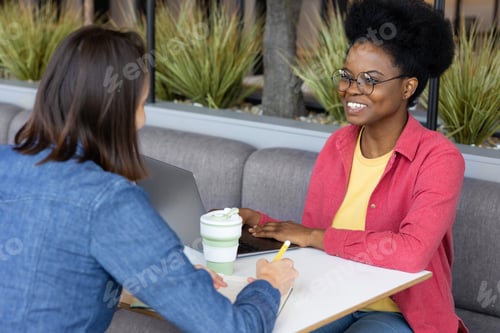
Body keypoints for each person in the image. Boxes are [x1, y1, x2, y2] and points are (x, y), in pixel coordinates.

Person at [0, 26, 297, 332]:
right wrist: (268, 286)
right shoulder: (109, 200)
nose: (142, 119)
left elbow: (46, 276)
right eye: (140, 105)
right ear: (116, 112)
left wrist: (164, 278)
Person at [239, 0, 468, 332]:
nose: (350, 90)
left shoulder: (438, 158)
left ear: (408, 87)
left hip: (397, 313)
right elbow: (316, 238)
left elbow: (410, 253)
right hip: (332, 298)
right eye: (347, 76)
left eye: (369, 80)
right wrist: (258, 223)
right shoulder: (338, 146)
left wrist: (312, 235)